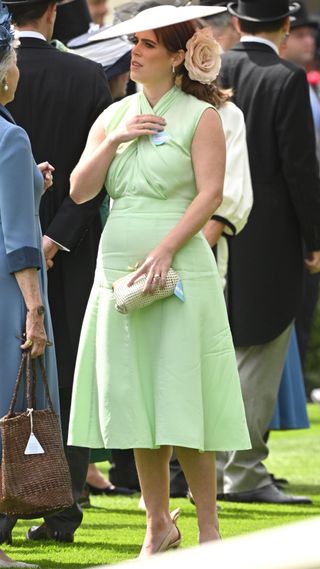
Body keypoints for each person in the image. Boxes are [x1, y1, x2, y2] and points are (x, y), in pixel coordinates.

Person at [68, 3, 251, 556]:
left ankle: (210, 529)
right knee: (139, 402)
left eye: (148, 44)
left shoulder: (203, 117)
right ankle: (157, 526)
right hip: (118, 274)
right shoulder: (113, 114)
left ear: (177, 57)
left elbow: (210, 194)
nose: (136, 52)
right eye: (135, 43)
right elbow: (79, 191)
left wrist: (168, 248)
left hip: (180, 272)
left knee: (183, 396)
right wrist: (115, 139)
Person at [2, 0, 112, 544]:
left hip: (7, 251)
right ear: (51, 12)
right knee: (67, 376)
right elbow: (97, 176)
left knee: (9, 378)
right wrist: (57, 235)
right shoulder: (88, 76)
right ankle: (62, 506)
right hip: (68, 252)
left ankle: (6, 504)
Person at [217, 0, 320, 504]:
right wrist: (315, 238)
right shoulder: (286, 77)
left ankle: (215, 472)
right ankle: (245, 474)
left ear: (236, 23)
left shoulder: (215, 69)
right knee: (258, 356)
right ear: (285, 26)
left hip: (210, 229)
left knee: (218, 355)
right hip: (270, 236)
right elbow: (300, 166)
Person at [0, 2, 59, 565]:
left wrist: (30, 186)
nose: (18, 65)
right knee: (9, 408)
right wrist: (34, 310)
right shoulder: (9, 138)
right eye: (14, 54)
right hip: (5, 296)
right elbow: (18, 238)